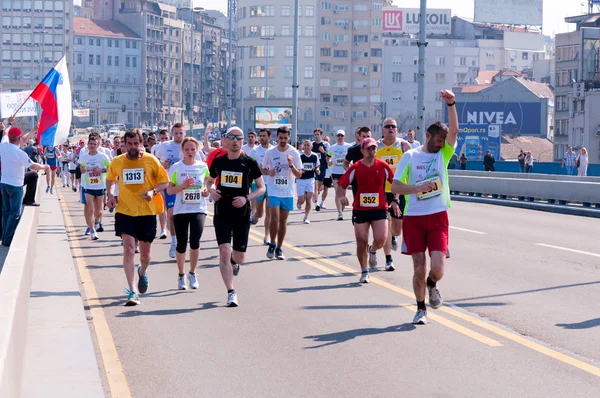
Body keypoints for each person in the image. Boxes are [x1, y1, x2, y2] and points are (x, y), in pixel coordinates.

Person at [391, 89, 458, 325]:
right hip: (415, 218)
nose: (442, 144)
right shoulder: (411, 156)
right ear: (428, 136)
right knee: (419, 267)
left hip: (438, 216)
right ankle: (420, 309)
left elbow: (455, 132)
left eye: (444, 140)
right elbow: (395, 187)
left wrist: (451, 104)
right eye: (439, 139)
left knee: (437, 268)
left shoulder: (444, 155)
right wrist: (417, 188)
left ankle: (432, 285)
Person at [106, 130, 169, 306]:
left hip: (147, 212)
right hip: (125, 210)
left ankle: (142, 272)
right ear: (124, 144)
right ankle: (132, 291)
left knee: (145, 256)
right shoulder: (118, 161)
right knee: (128, 248)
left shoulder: (151, 160)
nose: (133, 148)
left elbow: (165, 182)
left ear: (142, 144)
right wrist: (110, 195)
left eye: (136, 144)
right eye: (129, 144)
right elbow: (110, 179)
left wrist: (153, 191)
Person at [206, 127, 265, 307]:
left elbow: (261, 187)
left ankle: (234, 261)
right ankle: (231, 292)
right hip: (222, 209)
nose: (234, 141)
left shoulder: (249, 162)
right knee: (224, 251)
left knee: (239, 257)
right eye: (231, 138)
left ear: (242, 141)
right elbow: (209, 180)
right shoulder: (219, 161)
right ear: (225, 141)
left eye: (238, 138)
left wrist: (246, 197)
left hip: (241, 211)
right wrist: (211, 190)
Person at [336, 138, 395, 283]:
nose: (372, 151)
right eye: (368, 149)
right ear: (362, 150)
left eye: (374, 148)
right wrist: (342, 196)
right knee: (361, 242)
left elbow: (396, 183)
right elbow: (341, 184)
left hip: (380, 208)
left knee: (381, 239)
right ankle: (364, 270)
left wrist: (395, 200)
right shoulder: (355, 167)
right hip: (360, 209)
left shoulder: (383, 166)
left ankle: (373, 249)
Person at [154, 123, 205, 257]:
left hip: (190, 187)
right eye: (176, 133)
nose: (178, 136)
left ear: (185, 133)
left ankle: (187, 242)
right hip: (172, 184)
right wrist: (163, 165)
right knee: (171, 215)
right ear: (172, 133)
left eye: (181, 133)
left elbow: (201, 167)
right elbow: (157, 163)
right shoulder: (165, 146)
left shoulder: (191, 147)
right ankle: (174, 241)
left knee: (188, 218)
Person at [166, 137, 209, 290]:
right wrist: (183, 185)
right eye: (187, 149)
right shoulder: (176, 167)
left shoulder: (202, 166)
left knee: (195, 241)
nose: (190, 152)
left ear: (197, 150)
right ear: (182, 151)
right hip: (181, 210)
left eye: (193, 149)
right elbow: (170, 190)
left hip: (198, 208)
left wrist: (205, 191)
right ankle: (181, 274)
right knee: (182, 243)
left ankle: (192, 272)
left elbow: (207, 183)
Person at [0, 127, 49, 246]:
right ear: (18, 139)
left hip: (4, 184)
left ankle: (4, 235)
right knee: (14, 213)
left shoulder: (3, 145)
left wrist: (10, 123)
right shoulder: (19, 153)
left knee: (6, 211)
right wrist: (45, 167)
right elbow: (33, 166)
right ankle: (8, 239)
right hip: (15, 186)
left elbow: (6, 132)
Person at [373, 118, 411, 271]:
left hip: (400, 191)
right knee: (386, 226)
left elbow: (412, 166)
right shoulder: (375, 146)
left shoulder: (403, 145)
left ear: (396, 130)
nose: (390, 129)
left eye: (392, 126)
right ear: (382, 130)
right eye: (387, 126)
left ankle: (394, 237)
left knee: (396, 229)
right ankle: (389, 259)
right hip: (382, 191)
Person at [262, 126, 303, 260]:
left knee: (283, 220)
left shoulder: (294, 153)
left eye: (285, 138)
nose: (283, 140)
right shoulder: (270, 152)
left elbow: (299, 175)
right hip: (273, 189)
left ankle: (279, 247)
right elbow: (263, 168)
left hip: (288, 191)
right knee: (274, 217)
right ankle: (272, 243)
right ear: (277, 137)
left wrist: (291, 165)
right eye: (281, 138)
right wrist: (268, 172)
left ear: (289, 138)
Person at [79, 135, 111, 240]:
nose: (92, 146)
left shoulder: (102, 156)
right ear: (88, 145)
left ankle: (97, 222)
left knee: (98, 211)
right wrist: (82, 170)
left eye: (94, 144)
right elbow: (81, 168)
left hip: (100, 186)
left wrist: (100, 171)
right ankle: (92, 230)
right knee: (90, 209)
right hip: (88, 186)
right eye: (90, 144)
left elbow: (109, 168)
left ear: (98, 145)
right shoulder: (84, 156)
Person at [251, 128, 273, 244]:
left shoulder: (274, 150)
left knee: (269, 210)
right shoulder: (255, 151)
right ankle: (255, 215)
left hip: (271, 184)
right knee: (260, 213)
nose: (262, 138)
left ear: (269, 137)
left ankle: (267, 236)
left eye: (264, 136)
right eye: (261, 136)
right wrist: (260, 169)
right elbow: (251, 165)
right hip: (259, 184)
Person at [328, 130, 352, 220]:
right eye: (338, 135)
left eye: (342, 135)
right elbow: (328, 156)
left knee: (343, 192)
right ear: (336, 137)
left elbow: (352, 157)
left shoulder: (348, 146)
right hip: (335, 172)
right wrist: (329, 162)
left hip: (345, 172)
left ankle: (342, 204)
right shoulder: (332, 147)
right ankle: (339, 213)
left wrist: (351, 164)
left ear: (344, 137)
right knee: (337, 192)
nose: (340, 137)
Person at [296, 139, 319, 224]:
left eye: (308, 145)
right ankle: (299, 202)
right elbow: (297, 167)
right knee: (302, 200)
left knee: (309, 199)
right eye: (305, 145)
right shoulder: (300, 156)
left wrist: (317, 170)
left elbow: (317, 166)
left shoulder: (314, 156)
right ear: (302, 146)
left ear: (311, 147)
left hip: (310, 179)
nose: (306, 147)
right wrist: (301, 171)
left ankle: (306, 217)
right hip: (301, 180)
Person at [311, 128, 330, 211]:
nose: (316, 136)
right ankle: (316, 203)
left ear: (321, 135)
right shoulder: (311, 144)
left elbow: (329, 156)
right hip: (314, 167)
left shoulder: (325, 144)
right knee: (315, 186)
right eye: (315, 134)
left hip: (323, 166)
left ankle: (315, 195)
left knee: (318, 187)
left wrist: (323, 152)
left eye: (318, 134)